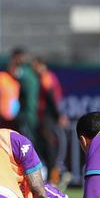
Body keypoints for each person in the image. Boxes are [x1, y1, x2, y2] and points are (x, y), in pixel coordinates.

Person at [31, 56, 70, 186]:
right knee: (46, 147)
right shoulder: (42, 78)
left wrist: (58, 116)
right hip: (46, 117)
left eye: (35, 65)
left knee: (53, 147)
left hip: (50, 117)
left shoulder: (46, 77)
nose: (34, 69)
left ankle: (55, 177)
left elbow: (51, 98)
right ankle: (52, 177)